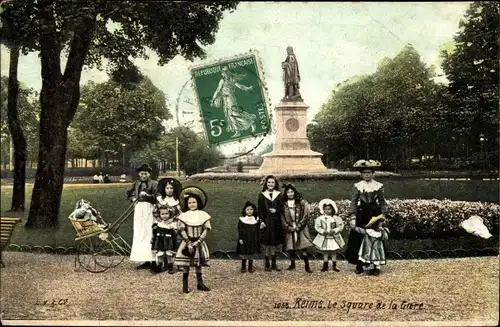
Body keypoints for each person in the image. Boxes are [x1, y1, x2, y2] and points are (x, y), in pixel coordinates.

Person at [345, 159, 388, 274]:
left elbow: (382, 202)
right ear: (361, 174)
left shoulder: (378, 186)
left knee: (374, 238)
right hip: (362, 214)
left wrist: (382, 216)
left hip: (374, 213)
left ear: (373, 174)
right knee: (359, 237)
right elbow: (353, 202)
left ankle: (375, 265)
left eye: (369, 172)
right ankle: (359, 264)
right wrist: (353, 216)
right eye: (364, 173)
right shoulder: (358, 186)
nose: (367, 175)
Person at [174, 186, 212, 293]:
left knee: (198, 264)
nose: (192, 204)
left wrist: (198, 241)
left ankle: (200, 284)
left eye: (194, 202)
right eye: (190, 203)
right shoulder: (183, 216)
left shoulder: (203, 215)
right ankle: (185, 286)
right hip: (187, 242)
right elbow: (181, 230)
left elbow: (205, 229)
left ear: (198, 203)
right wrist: (188, 242)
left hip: (198, 242)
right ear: (187, 204)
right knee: (186, 264)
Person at [126, 164, 158, 272]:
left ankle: (154, 260)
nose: (144, 176)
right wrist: (133, 198)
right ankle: (145, 259)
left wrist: (148, 196)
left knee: (149, 233)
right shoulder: (136, 183)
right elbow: (128, 193)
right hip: (139, 209)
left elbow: (157, 197)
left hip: (149, 208)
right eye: (142, 174)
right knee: (140, 233)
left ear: (149, 174)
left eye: (146, 174)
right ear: (139, 174)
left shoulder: (154, 184)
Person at [211, 66, 256, 138]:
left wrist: (248, 88)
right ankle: (238, 131)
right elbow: (217, 90)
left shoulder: (232, 79)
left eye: (226, 72)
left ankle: (250, 123)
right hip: (225, 100)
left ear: (228, 72)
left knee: (234, 114)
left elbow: (240, 86)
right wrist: (213, 100)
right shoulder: (222, 81)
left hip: (230, 99)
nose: (224, 74)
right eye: (223, 72)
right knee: (230, 115)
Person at [281, 183, 314, 273]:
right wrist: (288, 227)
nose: (290, 194)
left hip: (300, 227)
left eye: (292, 192)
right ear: (286, 194)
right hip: (290, 227)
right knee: (291, 246)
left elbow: (306, 214)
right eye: (288, 192)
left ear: (295, 192)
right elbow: (282, 217)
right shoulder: (284, 204)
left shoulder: (301, 203)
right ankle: (292, 264)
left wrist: (300, 225)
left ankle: (307, 265)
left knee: (303, 246)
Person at [153, 178, 182, 274]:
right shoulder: (161, 200)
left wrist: (171, 220)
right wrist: (160, 220)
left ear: (174, 189)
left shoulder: (176, 201)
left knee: (172, 244)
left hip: (172, 224)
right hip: (162, 223)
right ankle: (160, 264)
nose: (169, 190)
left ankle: (171, 265)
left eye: (171, 188)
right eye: (167, 188)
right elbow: (155, 212)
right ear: (164, 189)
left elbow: (179, 214)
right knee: (160, 243)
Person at [258, 175, 285, 272]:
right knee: (267, 242)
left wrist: (276, 210)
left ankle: (274, 263)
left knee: (274, 242)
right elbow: (260, 209)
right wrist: (261, 221)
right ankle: (266, 263)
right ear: (266, 183)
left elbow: (282, 208)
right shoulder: (262, 195)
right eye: (269, 182)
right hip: (266, 221)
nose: (270, 184)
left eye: (272, 182)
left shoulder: (279, 195)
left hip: (276, 221)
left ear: (275, 184)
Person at [312, 199, 345, 272]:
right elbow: (317, 227)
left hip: (333, 237)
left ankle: (334, 266)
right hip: (325, 237)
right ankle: (325, 266)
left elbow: (340, 226)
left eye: (329, 209)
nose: (327, 211)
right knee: (325, 252)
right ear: (323, 210)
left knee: (333, 252)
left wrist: (334, 230)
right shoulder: (320, 218)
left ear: (332, 209)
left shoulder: (336, 218)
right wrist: (323, 231)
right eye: (325, 209)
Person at [151, 205, 179, 274]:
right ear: (159, 215)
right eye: (162, 214)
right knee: (160, 254)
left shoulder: (172, 224)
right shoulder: (158, 223)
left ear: (170, 214)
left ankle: (170, 267)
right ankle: (159, 266)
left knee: (169, 254)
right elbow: (154, 232)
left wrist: (173, 229)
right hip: (160, 241)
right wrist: (153, 239)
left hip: (169, 241)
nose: (164, 216)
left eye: (166, 214)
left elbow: (175, 234)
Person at [236, 201, 262, 273]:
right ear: (245, 210)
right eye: (248, 209)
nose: (249, 211)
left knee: (251, 253)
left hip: (253, 238)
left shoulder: (256, 219)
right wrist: (240, 238)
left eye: (251, 209)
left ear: (254, 210)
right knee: (244, 253)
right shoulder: (242, 219)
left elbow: (258, 230)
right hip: (244, 238)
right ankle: (243, 267)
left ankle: (250, 267)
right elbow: (240, 229)